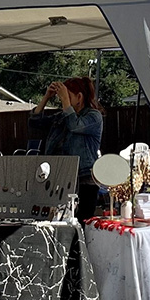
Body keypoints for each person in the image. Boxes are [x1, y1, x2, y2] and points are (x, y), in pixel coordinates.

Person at [29, 76, 104, 221]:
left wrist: (65, 101)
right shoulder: (61, 117)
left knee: (81, 222)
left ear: (79, 97)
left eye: (67, 96)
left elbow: (75, 125)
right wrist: (46, 97)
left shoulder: (94, 116)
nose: (63, 101)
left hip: (83, 179)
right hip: (58, 175)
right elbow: (35, 123)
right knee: (56, 221)